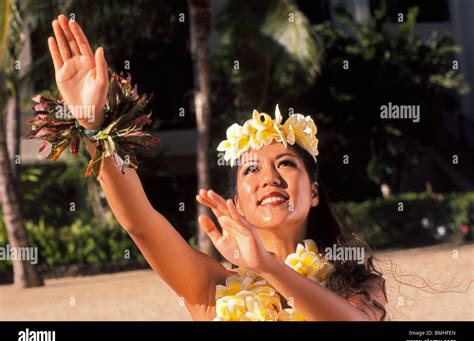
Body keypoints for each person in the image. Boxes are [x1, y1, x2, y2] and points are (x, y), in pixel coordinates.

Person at [47, 14, 387, 321]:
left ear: (313, 191)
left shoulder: (358, 284)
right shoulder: (213, 287)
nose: (269, 178)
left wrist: (267, 267)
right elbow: (141, 224)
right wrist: (93, 126)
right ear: (236, 204)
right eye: (251, 170)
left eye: (285, 163)